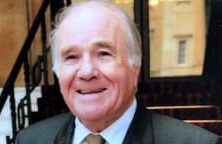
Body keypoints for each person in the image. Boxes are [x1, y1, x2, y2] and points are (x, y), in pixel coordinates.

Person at [15, 1, 222, 144]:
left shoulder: (194, 142)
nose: (87, 72)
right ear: (57, 72)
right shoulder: (30, 140)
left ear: (135, 66)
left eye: (103, 53)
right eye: (71, 57)